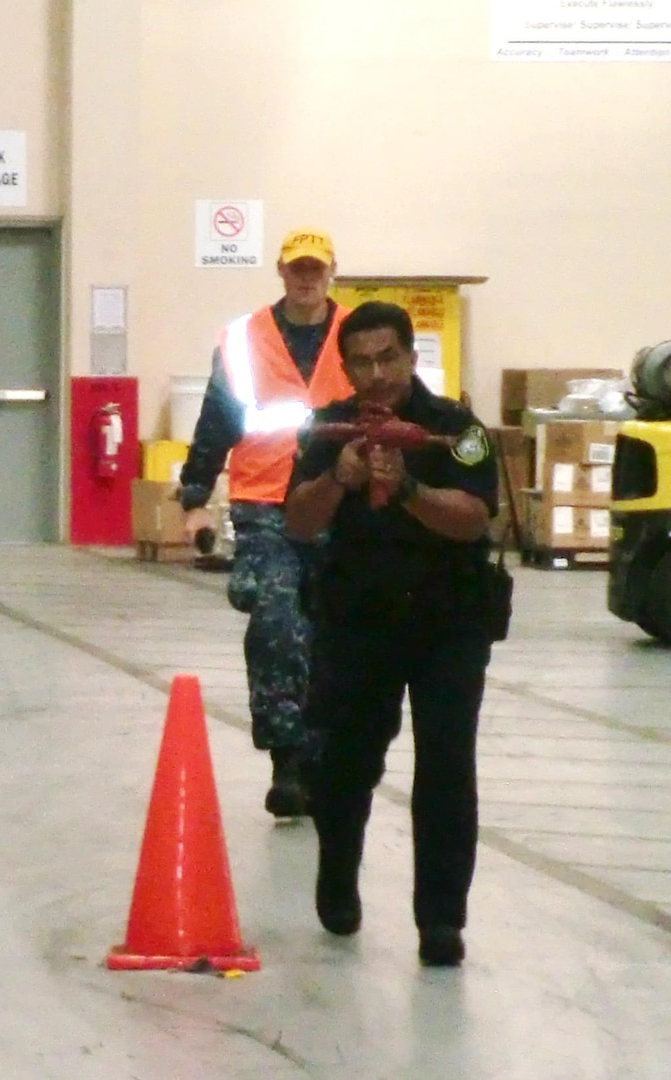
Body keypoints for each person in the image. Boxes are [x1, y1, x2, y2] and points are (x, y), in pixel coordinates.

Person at [284, 300, 500, 967]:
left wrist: (406, 490)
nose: (375, 374)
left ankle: (441, 923)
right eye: (361, 362)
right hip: (359, 620)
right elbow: (297, 520)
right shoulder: (326, 430)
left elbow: (473, 518)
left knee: (445, 771)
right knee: (344, 765)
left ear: (410, 356)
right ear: (345, 366)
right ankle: (338, 881)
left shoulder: (458, 430)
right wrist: (336, 479)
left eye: (387, 358)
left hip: (447, 623)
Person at [176, 228, 353, 817]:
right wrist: (195, 496)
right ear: (281, 271)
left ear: (332, 273)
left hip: (341, 506)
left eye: (316, 268)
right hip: (266, 506)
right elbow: (215, 419)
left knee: (335, 634)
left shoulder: (361, 335)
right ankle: (290, 762)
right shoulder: (244, 339)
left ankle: (327, 753)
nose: (306, 278)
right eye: (296, 268)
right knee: (278, 624)